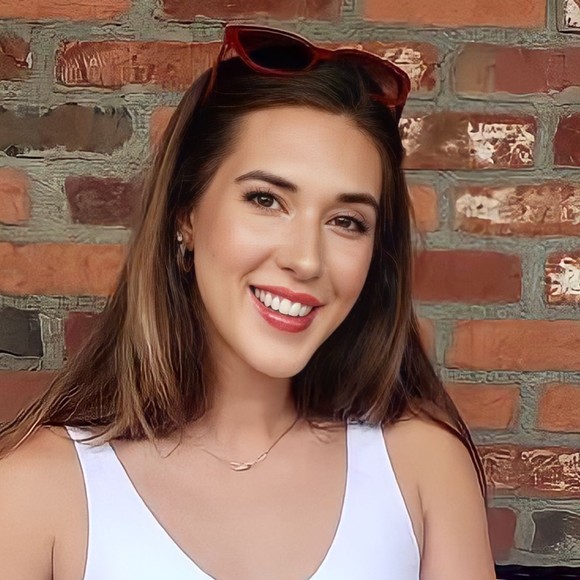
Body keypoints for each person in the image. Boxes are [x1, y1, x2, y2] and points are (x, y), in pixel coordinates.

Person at [0, 24, 496, 579]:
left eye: (346, 221)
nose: (306, 259)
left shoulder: (423, 467)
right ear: (185, 215)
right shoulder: (35, 491)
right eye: (266, 199)